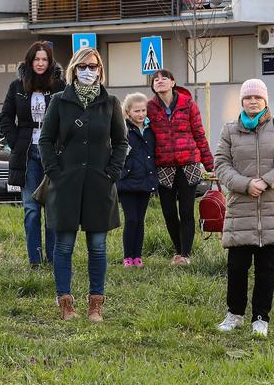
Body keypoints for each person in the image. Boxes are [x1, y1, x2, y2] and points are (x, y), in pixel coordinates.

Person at [39, 46, 127, 322]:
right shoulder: (59, 101)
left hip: (99, 184)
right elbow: (45, 140)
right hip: (65, 183)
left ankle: (95, 304)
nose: (88, 71)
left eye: (93, 66)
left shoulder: (110, 102)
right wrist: (54, 170)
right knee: (63, 245)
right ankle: (65, 302)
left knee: (98, 246)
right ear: (73, 70)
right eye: (82, 67)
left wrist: (112, 172)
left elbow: (121, 142)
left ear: (100, 70)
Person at [213, 79, 274, 338]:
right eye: (248, 98)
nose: (253, 101)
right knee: (237, 265)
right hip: (241, 205)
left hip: (272, 207)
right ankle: (234, 314)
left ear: (265, 101)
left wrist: (266, 181)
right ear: (241, 101)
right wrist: (244, 184)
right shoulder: (229, 130)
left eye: (257, 97)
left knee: (266, 266)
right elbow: (221, 164)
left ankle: (261, 317)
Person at [0, 41, 65, 267]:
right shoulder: (17, 86)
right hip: (27, 154)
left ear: (50, 63)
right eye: (36, 59)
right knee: (31, 209)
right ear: (29, 61)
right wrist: (16, 142)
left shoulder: (59, 86)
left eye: (44, 59)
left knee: (53, 209)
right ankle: (35, 261)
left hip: (52, 153)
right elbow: (6, 118)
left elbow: (67, 118)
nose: (40, 63)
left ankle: (53, 258)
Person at [147, 69, 215, 266]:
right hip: (163, 166)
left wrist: (209, 164)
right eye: (156, 79)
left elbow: (199, 135)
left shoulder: (188, 105)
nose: (159, 81)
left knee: (186, 211)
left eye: (164, 78)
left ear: (173, 82)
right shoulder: (149, 107)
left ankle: (185, 254)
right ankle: (178, 250)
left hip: (189, 164)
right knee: (168, 212)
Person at [117, 92, 158, 267]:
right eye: (137, 111)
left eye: (143, 110)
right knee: (131, 219)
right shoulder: (123, 130)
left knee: (140, 220)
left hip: (145, 181)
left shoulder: (150, 130)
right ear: (128, 112)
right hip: (127, 182)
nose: (141, 114)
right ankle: (128, 257)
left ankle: (137, 256)